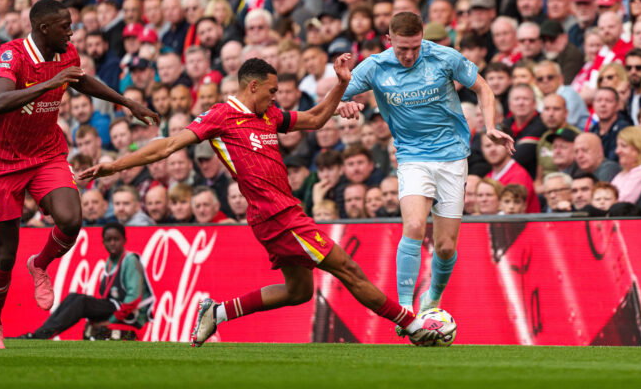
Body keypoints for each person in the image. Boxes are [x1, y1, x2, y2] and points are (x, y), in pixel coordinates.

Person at [79, 55, 449, 347]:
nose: (276, 98)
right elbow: (168, 145)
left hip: (282, 212)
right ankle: (413, 325)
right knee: (346, 267)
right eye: (272, 91)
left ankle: (219, 312)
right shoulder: (221, 117)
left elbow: (317, 118)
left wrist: (341, 86)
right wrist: (115, 165)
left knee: (299, 291)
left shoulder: (268, 115)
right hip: (276, 216)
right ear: (252, 86)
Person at [0, 0, 158, 350]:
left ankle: (40, 264)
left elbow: (83, 82)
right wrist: (51, 83)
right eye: (65, 26)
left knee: (71, 219)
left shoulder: (68, 55)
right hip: (3, 162)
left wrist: (128, 103)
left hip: (46, 154)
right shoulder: (13, 54)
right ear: (44, 29)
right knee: (4, 255)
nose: (71, 32)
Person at [337, 12, 514, 316]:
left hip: (453, 157)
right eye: (402, 48)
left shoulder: (444, 57)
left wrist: (490, 126)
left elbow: (483, 87)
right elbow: (330, 97)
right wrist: (342, 102)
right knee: (415, 226)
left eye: (415, 47)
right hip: (412, 157)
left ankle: (432, 297)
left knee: (445, 247)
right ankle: (405, 309)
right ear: (388, 40)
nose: (409, 55)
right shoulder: (375, 67)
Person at [16, 223, 154, 340]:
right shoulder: (110, 262)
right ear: (103, 242)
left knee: (82, 302)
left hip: (133, 315)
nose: (112, 243)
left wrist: (109, 320)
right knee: (73, 297)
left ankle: (42, 334)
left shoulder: (130, 260)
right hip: (117, 307)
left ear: (124, 240)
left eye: (116, 239)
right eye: (108, 239)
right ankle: (43, 331)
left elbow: (133, 298)